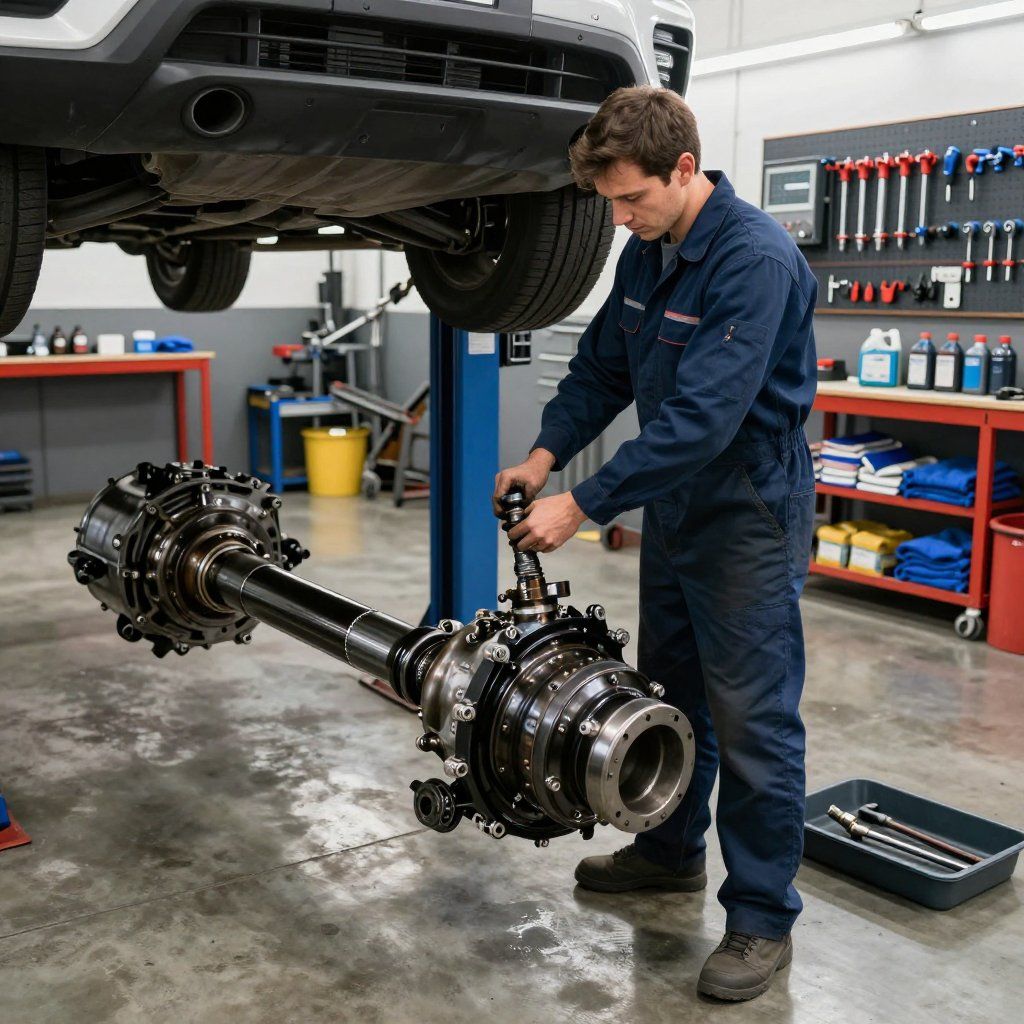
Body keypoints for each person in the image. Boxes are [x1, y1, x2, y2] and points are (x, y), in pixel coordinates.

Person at [492, 86, 817, 1002]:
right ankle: (670, 850)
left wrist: (582, 504)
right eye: (612, 206)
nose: (623, 219)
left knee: (754, 719)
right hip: (676, 510)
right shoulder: (648, 251)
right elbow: (602, 366)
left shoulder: (754, 260)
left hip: (748, 507)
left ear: (685, 169)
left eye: (632, 199)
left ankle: (759, 917)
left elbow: (705, 419)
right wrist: (544, 453)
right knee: (671, 695)